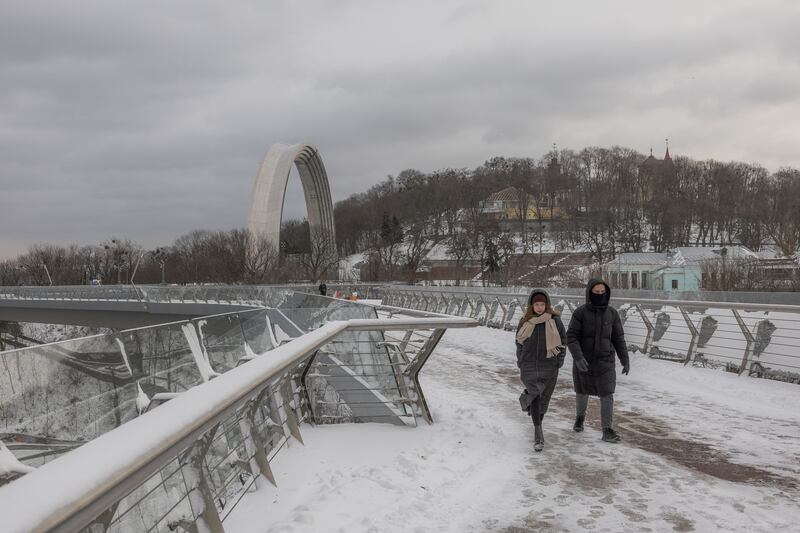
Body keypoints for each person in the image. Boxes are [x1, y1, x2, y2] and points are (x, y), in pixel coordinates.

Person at [567, 278, 630, 443]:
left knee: (607, 393)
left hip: (605, 361)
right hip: (584, 360)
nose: (600, 295)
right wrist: (578, 357)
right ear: (590, 293)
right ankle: (580, 418)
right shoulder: (580, 313)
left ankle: (607, 430)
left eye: (603, 292)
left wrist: (625, 359)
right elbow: (571, 337)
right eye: (597, 292)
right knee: (582, 391)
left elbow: (618, 338)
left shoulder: (612, 313)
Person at [516, 289, 567, 452]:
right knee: (536, 394)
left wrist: (559, 361)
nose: (539, 307)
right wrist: (521, 360)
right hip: (529, 365)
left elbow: (563, 341)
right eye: (536, 304)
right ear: (532, 305)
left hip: (549, 365)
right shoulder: (525, 320)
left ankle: (529, 405)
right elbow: (518, 342)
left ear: (547, 304)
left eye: (542, 304)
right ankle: (538, 433)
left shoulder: (555, 320)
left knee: (543, 398)